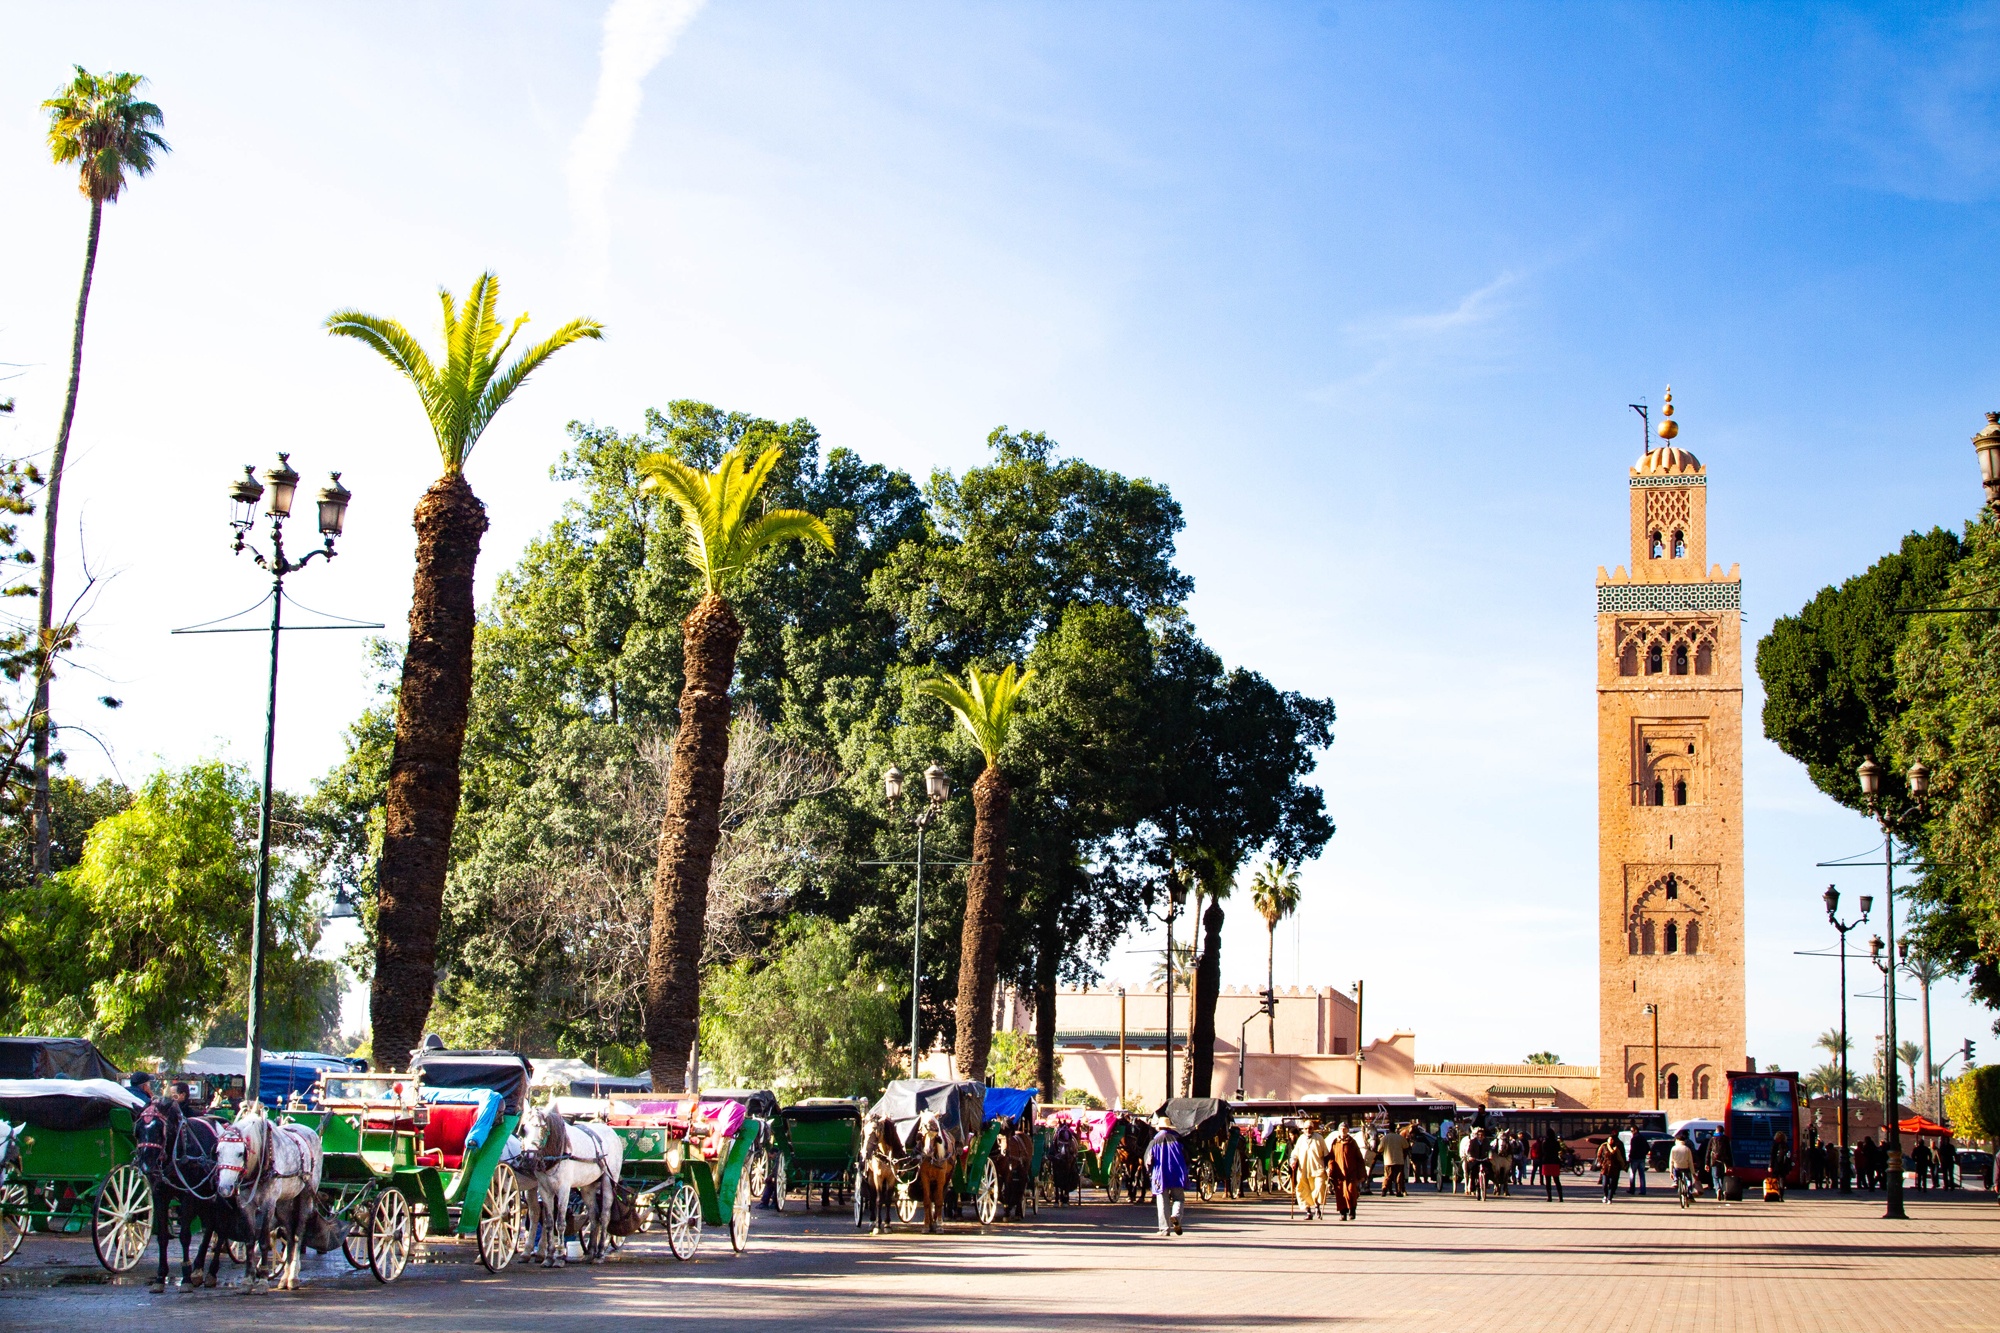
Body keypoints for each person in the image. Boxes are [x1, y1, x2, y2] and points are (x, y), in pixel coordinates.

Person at [1145, 1117, 1187, 1237]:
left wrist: (1149, 1173)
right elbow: (1186, 1156)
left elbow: (1148, 1160)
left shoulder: (1154, 1141)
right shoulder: (1178, 1139)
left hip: (1160, 1175)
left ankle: (1164, 1229)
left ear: (1159, 1128)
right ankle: (1176, 1216)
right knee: (1179, 1199)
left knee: (1162, 1201)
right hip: (1177, 1174)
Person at [1379, 1121, 1409, 1197]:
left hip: (1388, 1160)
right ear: (1395, 1129)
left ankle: (1384, 1190)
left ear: (1389, 1129)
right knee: (1399, 1176)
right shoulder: (1400, 1137)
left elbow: (1379, 1149)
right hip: (1399, 1160)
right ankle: (1398, 1191)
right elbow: (1406, 1146)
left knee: (1387, 1176)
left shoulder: (1385, 1138)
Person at [1705, 1128, 1733, 1203]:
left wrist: (1706, 1164)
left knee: (1715, 1176)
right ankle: (1721, 1189)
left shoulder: (1712, 1139)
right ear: (1723, 1131)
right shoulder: (1725, 1139)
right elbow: (1729, 1152)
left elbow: (1708, 1151)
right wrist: (1730, 1165)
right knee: (1722, 1176)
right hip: (1724, 1161)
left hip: (1714, 1161)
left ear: (1716, 1131)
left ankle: (1717, 1189)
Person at [1669, 1132, 1697, 1204]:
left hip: (1677, 1167)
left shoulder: (1674, 1148)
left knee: (1676, 1171)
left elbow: (1671, 1161)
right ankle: (1690, 1193)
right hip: (1686, 1167)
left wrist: (1671, 1172)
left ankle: (1676, 1181)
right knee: (1688, 1179)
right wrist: (1693, 1173)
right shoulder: (1687, 1149)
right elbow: (1690, 1162)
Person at [1596, 1134, 1624, 1204]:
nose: (1611, 1141)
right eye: (1609, 1139)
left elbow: (1620, 1158)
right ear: (1608, 1140)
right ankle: (1605, 1195)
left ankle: (1610, 1198)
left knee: (1612, 1184)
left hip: (1614, 1168)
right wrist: (1601, 1163)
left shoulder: (1616, 1148)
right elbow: (1599, 1155)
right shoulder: (1604, 1146)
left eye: (1612, 1139)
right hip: (1605, 1168)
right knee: (1605, 1184)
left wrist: (1623, 1165)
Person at [1539, 1128, 1565, 1202]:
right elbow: (1559, 1149)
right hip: (1555, 1162)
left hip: (1546, 1162)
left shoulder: (1544, 1142)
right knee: (1557, 1180)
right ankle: (1560, 1197)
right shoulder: (1556, 1142)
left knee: (1548, 1181)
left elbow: (1543, 1151)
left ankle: (1549, 1197)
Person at [1625, 1127, 1648, 1196]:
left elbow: (1633, 1149)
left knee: (1632, 1174)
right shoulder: (1643, 1138)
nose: (1631, 1133)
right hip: (1642, 1158)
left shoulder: (1634, 1139)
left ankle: (1632, 1190)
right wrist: (1643, 1154)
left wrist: (1630, 1157)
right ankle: (1643, 1190)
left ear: (1635, 1130)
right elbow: (1648, 1148)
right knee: (1642, 1175)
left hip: (1635, 1159)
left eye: (1632, 1131)